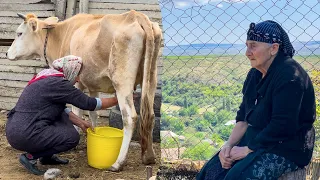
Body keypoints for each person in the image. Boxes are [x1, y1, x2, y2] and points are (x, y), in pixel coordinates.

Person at [196, 20, 316, 180]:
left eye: (253, 45)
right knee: (211, 172)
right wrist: (228, 146)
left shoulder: (290, 76)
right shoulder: (255, 74)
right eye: (247, 45)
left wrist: (247, 149)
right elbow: (243, 118)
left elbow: (283, 125)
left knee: (238, 176)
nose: (247, 52)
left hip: (287, 146)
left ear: (274, 48)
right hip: (257, 138)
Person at [5, 55, 119, 175]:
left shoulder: (47, 77)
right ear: (70, 71)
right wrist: (117, 100)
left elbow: (61, 110)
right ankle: (30, 156)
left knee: (61, 117)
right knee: (71, 138)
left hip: (16, 129)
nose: (78, 80)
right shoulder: (59, 84)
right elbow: (88, 103)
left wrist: (81, 122)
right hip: (25, 133)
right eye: (77, 74)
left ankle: (47, 156)